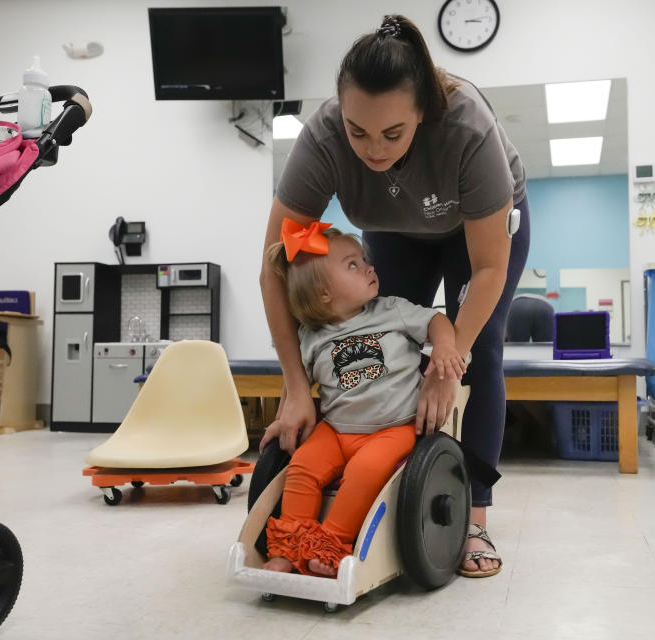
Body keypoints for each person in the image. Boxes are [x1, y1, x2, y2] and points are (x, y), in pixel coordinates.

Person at [259, 14, 529, 578]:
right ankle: (367, 494)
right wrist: (294, 387)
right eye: (358, 132)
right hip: (396, 227)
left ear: (423, 115)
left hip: (477, 237)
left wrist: (449, 361)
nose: (372, 150)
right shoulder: (324, 139)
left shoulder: (466, 128)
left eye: (392, 134)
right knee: (382, 346)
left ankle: (472, 514)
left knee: (480, 354)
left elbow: (487, 269)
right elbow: (276, 268)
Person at [259, 220, 466, 577]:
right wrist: (283, 418)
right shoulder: (310, 336)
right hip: (336, 430)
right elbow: (295, 388)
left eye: (363, 259)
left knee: (365, 471)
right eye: (352, 264)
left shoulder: (392, 309)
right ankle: (289, 549)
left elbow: (436, 320)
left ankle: (331, 544)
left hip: (393, 428)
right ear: (324, 293)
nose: (368, 266)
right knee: (302, 469)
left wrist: (444, 346)